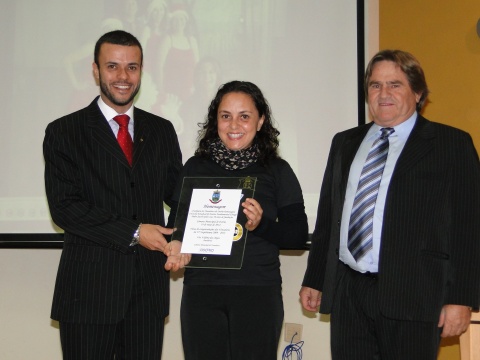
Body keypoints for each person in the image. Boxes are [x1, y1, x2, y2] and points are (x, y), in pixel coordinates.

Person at [300, 49, 480, 359]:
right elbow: (329, 217)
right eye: (375, 84)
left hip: (415, 295)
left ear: (418, 92)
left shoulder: (452, 144)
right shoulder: (345, 142)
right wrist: (315, 279)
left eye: (395, 84)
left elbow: (469, 227)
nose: (383, 93)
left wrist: (461, 298)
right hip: (349, 294)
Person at [43, 30, 183, 359]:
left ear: (142, 71)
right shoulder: (65, 131)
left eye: (132, 67)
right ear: (95, 70)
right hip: (88, 295)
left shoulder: (161, 130)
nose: (123, 76)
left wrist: (179, 236)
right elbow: (65, 208)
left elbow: (181, 195)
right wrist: (135, 232)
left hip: (147, 294)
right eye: (113, 66)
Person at [165, 80, 309, 359]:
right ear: (215, 120)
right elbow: (178, 225)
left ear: (260, 121)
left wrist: (261, 225)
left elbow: (297, 235)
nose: (234, 125)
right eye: (225, 116)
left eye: (244, 116)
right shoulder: (195, 167)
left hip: (257, 292)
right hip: (202, 292)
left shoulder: (277, 170)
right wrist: (176, 243)